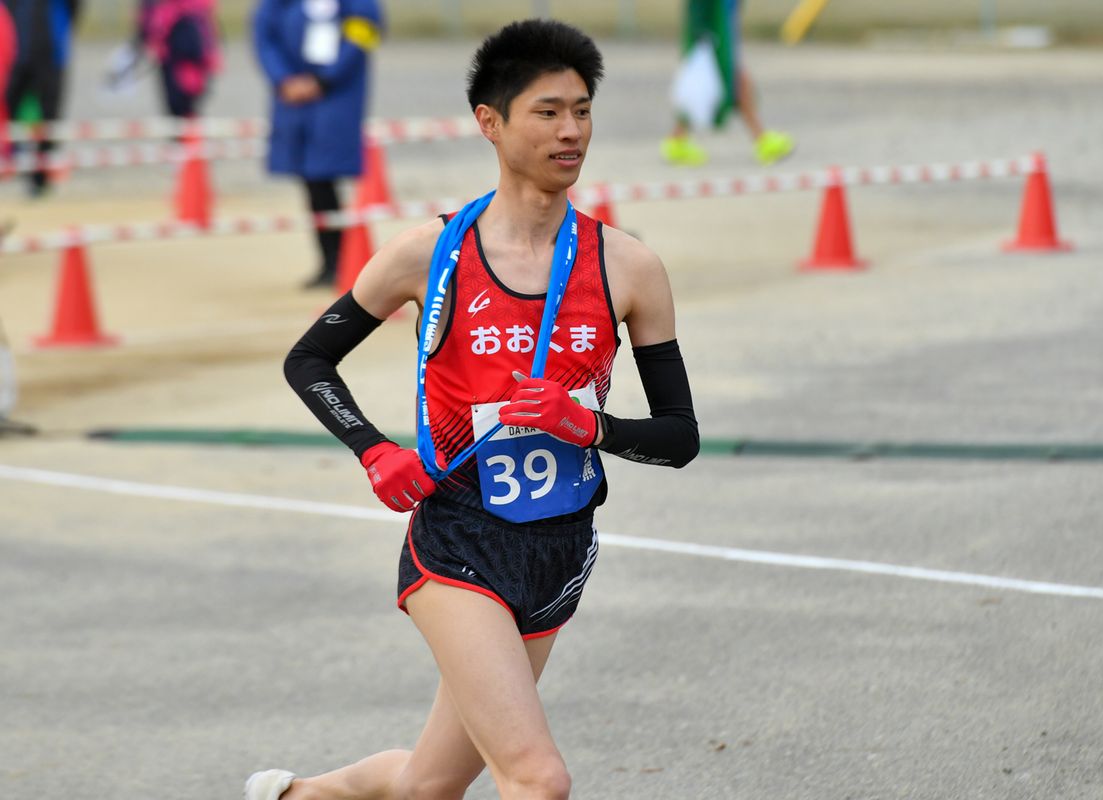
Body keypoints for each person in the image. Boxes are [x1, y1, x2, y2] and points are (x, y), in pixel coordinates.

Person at [252, 18, 700, 800]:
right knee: (537, 778)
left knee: (429, 786)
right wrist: (373, 449)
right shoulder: (433, 253)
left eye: (583, 110)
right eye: (549, 111)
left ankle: (298, 796)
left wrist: (589, 425)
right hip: (457, 540)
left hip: (561, 548)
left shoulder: (628, 267)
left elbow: (681, 438)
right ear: (489, 122)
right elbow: (309, 360)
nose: (572, 131)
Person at [252, 0, 383, 289]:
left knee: (327, 174)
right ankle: (329, 260)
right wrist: (284, 79)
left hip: (337, 95)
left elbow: (365, 33)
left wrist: (324, 80)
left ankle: (344, 261)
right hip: (293, 97)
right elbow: (265, 37)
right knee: (311, 179)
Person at [662, 0, 794, 167]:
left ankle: (677, 138)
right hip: (711, 33)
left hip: (720, 28)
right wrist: (702, 32)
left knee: (735, 81)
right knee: (730, 81)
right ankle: (761, 139)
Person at [2, 0, 81, 196]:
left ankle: (41, 179)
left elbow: (74, 10)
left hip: (51, 55)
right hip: (16, 55)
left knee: (49, 119)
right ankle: (13, 160)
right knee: (7, 111)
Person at [108, 0, 221, 119]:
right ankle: (186, 129)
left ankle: (187, 131)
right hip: (178, 54)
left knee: (183, 105)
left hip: (184, 57)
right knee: (181, 107)